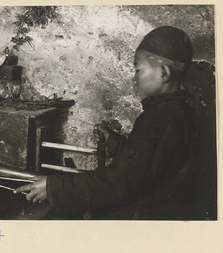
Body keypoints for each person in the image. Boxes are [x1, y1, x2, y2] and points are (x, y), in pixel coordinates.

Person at [14, 26, 199, 220]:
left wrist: (53, 188)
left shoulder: (156, 118)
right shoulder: (184, 113)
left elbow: (119, 181)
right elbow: (150, 162)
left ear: (163, 73)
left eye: (138, 70)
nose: (134, 79)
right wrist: (116, 144)